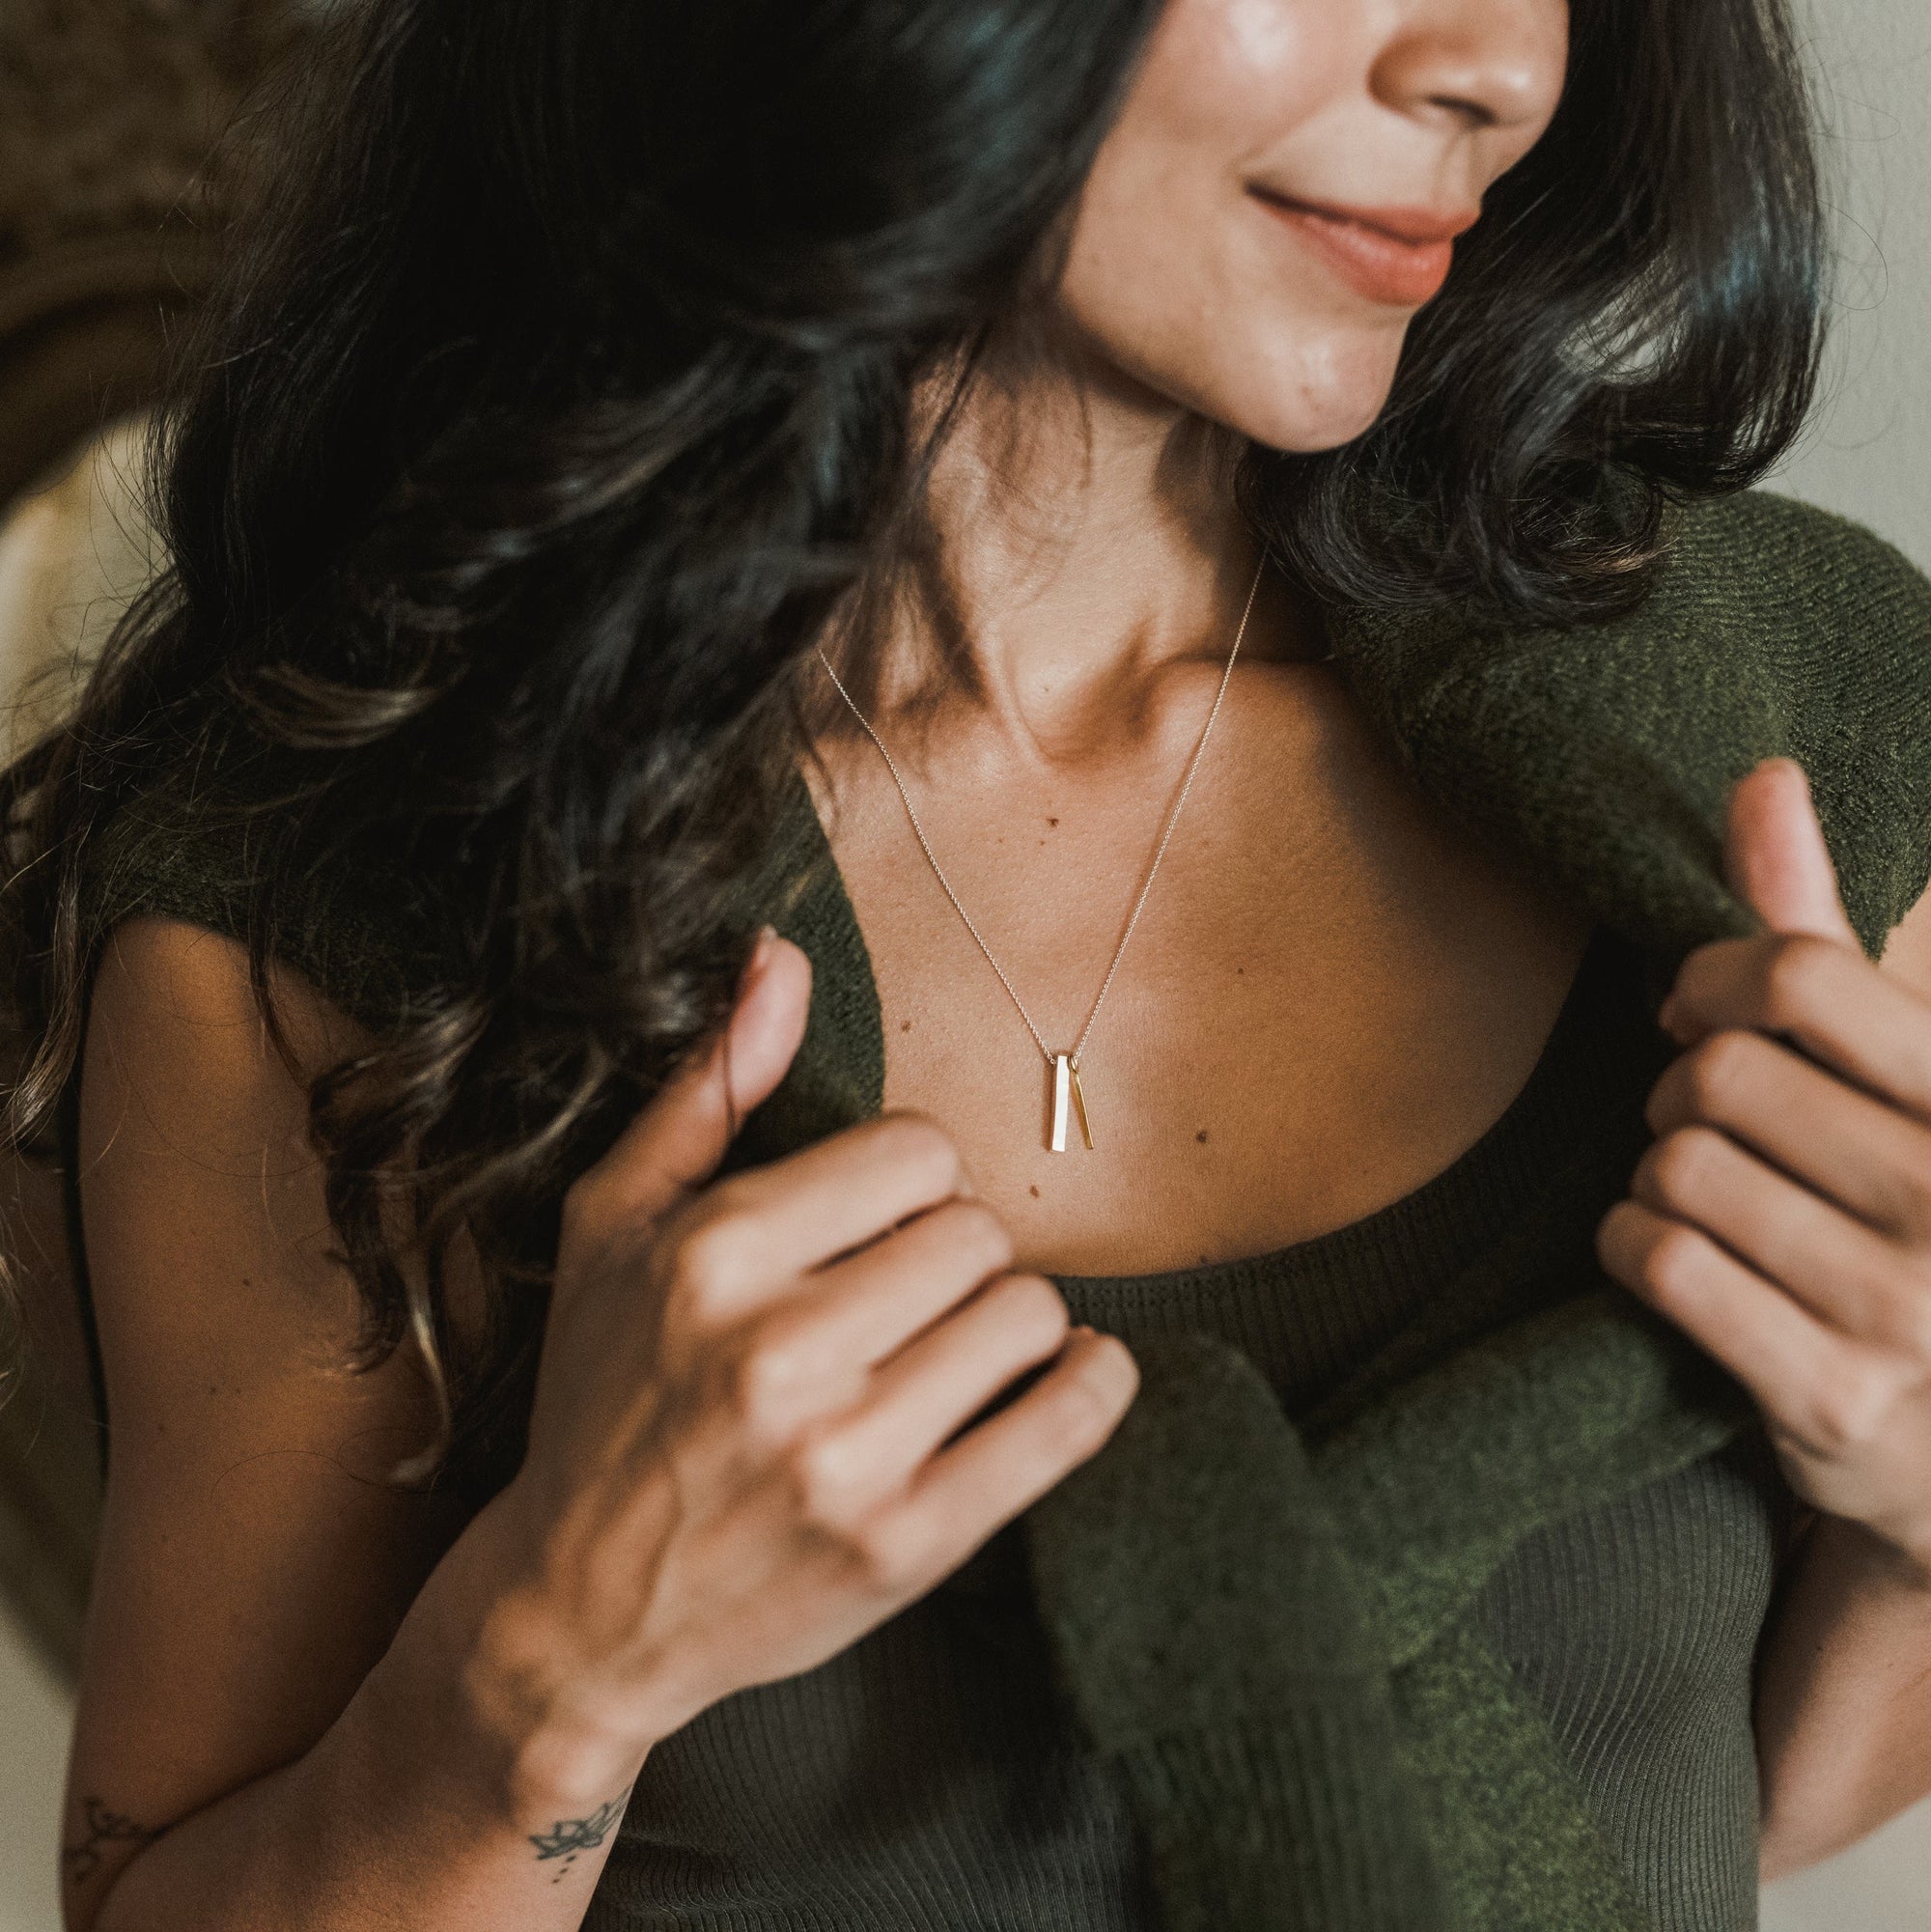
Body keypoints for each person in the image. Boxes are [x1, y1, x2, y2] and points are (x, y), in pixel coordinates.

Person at [7, 0, 1931, 1927]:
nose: (1498, 68)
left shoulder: (1776, 743)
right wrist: (541, 1676)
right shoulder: (338, 886)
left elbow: (1738, 1791)